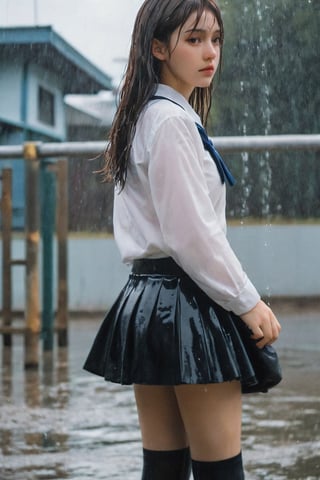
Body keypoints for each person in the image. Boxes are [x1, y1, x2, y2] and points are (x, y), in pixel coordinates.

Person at [84, 1, 281, 478]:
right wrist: (247, 301)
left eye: (215, 39)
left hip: (147, 299)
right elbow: (191, 234)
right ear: (158, 47)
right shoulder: (171, 122)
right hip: (187, 301)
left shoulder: (145, 116)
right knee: (219, 470)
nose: (209, 52)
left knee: (164, 466)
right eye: (194, 40)